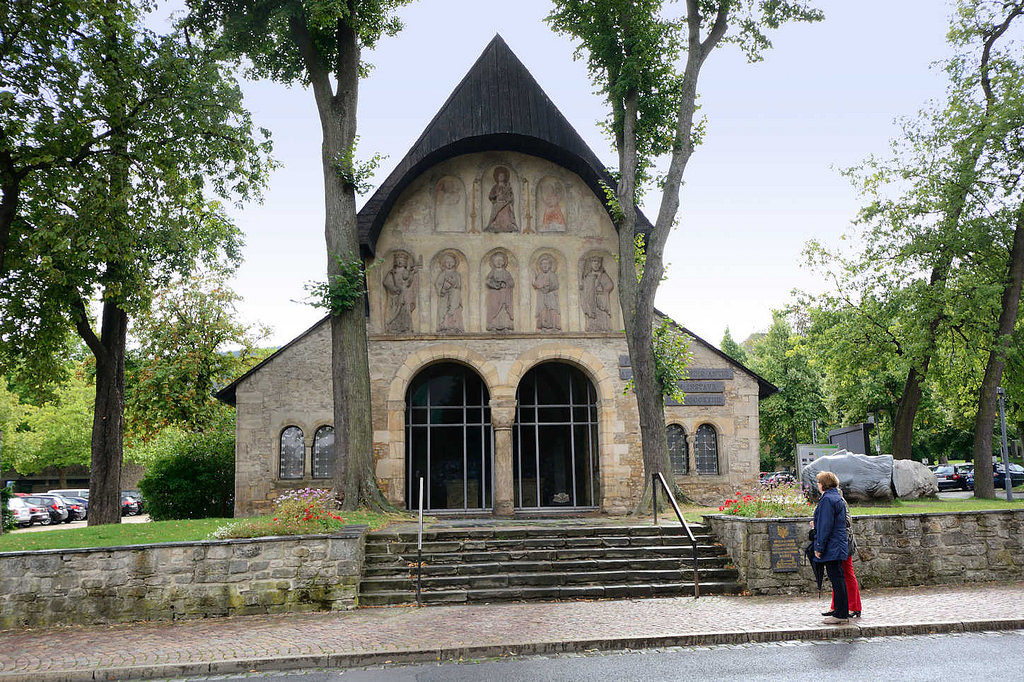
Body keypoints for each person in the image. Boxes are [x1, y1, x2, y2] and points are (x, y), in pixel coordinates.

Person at [812, 470, 851, 625]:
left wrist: (819, 547)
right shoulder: (835, 497)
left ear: (823, 484)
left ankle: (841, 614)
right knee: (838, 578)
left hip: (832, 545)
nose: (817, 485)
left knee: (837, 579)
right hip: (837, 543)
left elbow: (825, 525)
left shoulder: (828, 499)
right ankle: (841, 611)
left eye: (819, 482)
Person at [824, 489, 862, 618]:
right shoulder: (834, 500)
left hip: (844, 543)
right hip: (840, 543)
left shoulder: (839, 501)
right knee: (837, 575)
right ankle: (836, 606)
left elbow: (846, 523)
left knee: (846, 573)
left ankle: (854, 607)